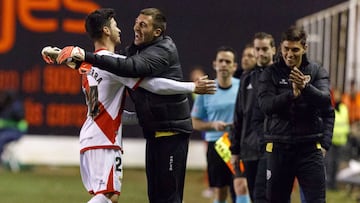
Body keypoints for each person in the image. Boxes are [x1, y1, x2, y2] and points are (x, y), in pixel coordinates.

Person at [41, 8, 216, 203]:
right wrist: (192, 86)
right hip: (105, 138)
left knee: (112, 196)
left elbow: (111, 109)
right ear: (106, 31)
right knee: (109, 197)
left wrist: (59, 55)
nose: (122, 30)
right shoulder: (113, 63)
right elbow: (153, 85)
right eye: (115, 26)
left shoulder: (88, 67)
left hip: (92, 136)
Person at [257, 25, 334, 203]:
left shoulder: (316, 71)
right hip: (279, 147)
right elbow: (266, 106)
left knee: (316, 200)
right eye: (286, 49)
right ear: (281, 47)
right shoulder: (271, 73)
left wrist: (305, 87)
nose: (290, 54)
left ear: (305, 48)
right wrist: (291, 95)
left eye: (295, 50)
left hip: (309, 149)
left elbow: (325, 102)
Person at [191, 46, 241, 203]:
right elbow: (195, 122)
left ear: (234, 66)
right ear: (215, 64)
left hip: (238, 144)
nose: (224, 64)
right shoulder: (206, 89)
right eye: (221, 61)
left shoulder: (243, 87)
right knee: (220, 192)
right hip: (217, 144)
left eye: (228, 61)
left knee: (241, 187)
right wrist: (213, 125)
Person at [231, 32, 275, 203]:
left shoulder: (281, 76)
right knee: (254, 194)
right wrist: (235, 150)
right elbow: (239, 115)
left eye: (265, 49)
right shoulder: (246, 77)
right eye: (258, 49)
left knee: (263, 195)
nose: (261, 53)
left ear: (273, 49)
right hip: (248, 147)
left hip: (272, 147)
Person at [230, 43, 256, 203]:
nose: (246, 59)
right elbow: (238, 116)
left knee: (250, 188)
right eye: (244, 56)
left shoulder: (264, 81)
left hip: (256, 144)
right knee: (236, 185)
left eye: (250, 56)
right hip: (234, 141)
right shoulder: (237, 81)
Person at [325, 88, 350, 190]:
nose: (337, 96)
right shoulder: (330, 107)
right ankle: (328, 183)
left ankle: (334, 183)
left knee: (336, 163)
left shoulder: (344, 108)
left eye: (339, 94)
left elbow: (346, 123)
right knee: (329, 163)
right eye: (335, 94)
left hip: (340, 140)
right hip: (331, 140)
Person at [0, 90, 28, 168]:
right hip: (3, 131)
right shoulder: (3, 105)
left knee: (1, 139)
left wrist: (5, 123)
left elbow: (20, 119)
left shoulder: (16, 106)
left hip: (15, 131)